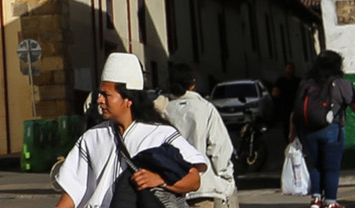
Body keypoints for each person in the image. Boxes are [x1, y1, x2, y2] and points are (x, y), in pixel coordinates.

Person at [54, 53, 207, 208]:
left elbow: (193, 180)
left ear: (128, 99)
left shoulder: (162, 135)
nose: (99, 100)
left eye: (106, 94)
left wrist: (160, 180)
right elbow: (72, 192)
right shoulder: (92, 137)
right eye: (100, 93)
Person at [289, 50, 355, 208]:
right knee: (331, 167)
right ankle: (330, 202)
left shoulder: (305, 83)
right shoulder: (341, 83)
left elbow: (296, 109)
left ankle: (316, 199)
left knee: (316, 165)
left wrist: (292, 132)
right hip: (331, 129)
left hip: (307, 131)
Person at [159, 65, 235, 208]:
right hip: (202, 186)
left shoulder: (164, 111)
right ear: (193, 84)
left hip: (172, 187)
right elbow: (219, 147)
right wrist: (225, 177)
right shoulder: (205, 108)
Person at [273, 62, 301, 146]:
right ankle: (290, 143)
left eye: (291, 68)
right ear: (285, 69)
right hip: (285, 108)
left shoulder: (298, 81)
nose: (290, 70)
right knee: (286, 127)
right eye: (288, 68)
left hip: (296, 107)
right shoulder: (281, 81)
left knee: (298, 127)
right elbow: (275, 92)